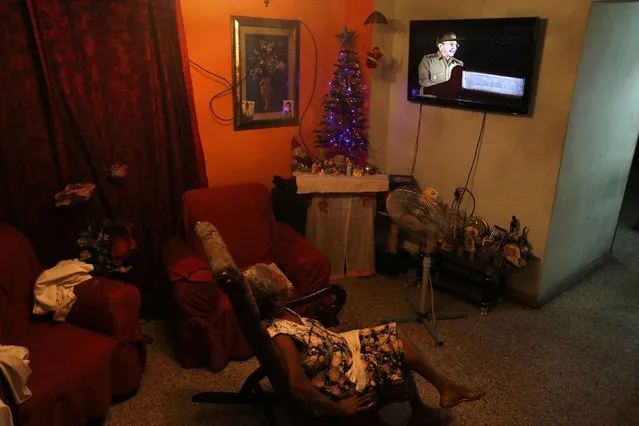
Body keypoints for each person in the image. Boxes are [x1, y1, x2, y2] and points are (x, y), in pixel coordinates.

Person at [245, 264, 485, 425]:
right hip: (340, 376)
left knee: (393, 333)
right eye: (281, 281)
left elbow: (305, 341)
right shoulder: (281, 336)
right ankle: (431, 400)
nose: (286, 282)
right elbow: (298, 386)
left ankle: (439, 393)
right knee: (394, 345)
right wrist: (340, 409)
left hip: (340, 351)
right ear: (275, 300)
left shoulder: (281, 312)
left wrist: (324, 334)